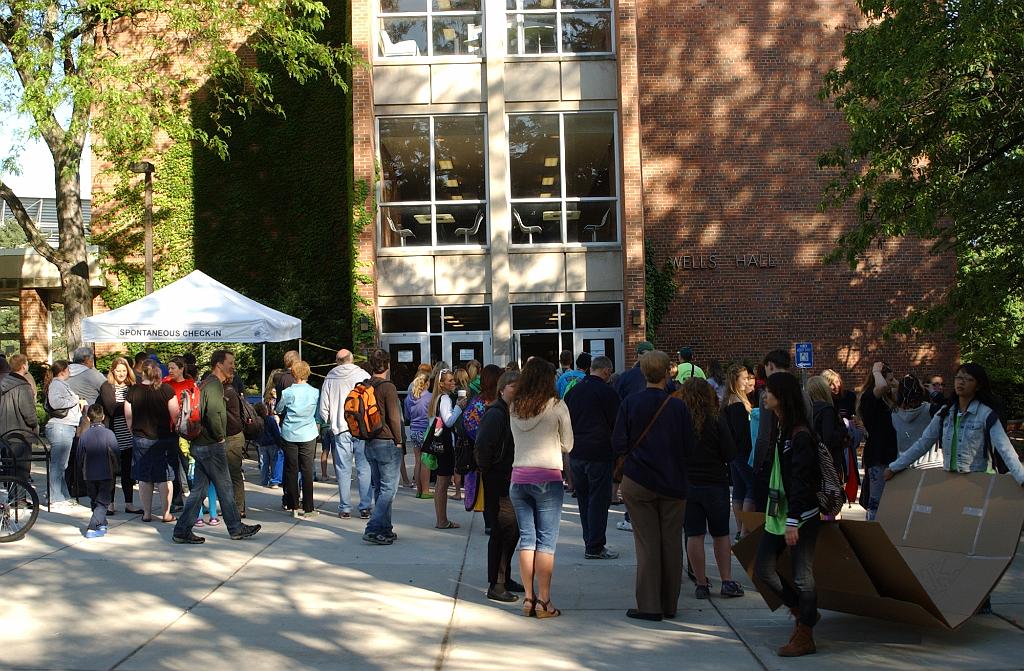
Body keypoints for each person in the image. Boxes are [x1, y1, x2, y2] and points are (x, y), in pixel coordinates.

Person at [611, 350, 694, 621]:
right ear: (668, 372)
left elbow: (618, 443)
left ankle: (649, 605)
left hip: (639, 479)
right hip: (673, 481)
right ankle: (670, 604)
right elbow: (689, 445)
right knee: (671, 544)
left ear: (644, 373)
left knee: (647, 544)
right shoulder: (679, 407)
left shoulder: (630, 403)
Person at [754, 372, 822, 657]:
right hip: (778, 514)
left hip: (799, 516)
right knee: (763, 570)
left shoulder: (800, 434)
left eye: (768, 391)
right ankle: (804, 614)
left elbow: (803, 481)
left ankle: (805, 635)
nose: (764, 395)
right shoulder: (782, 427)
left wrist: (793, 520)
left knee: (802, 577)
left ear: (782, 396)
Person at [173, 350, 261, 544]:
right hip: (211, 446)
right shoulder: (214, 386)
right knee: (225, 486)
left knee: (199, 490)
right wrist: (221, 436)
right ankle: (236, 528)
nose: (233, 366)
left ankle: (182, 530)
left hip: (201, 445)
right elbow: (213, 415)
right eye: (231, 362)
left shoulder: (208, 384)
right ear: (219, 364)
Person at [509, 358, 573, 618]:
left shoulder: (514, 407)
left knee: (527, 540)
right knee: (546, 542)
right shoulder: (557, 406)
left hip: (518, 476)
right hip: (547, 477)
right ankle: (544, 601)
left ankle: (528, 598)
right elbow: (568, 444)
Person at [886, 363, 1024, 484]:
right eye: (958, 378)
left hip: (978, 480)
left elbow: (1005, 448)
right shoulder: (945, 413)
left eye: (968, 379)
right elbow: (923, 443)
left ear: (978, 385)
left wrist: (1021, 478)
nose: (961, 382)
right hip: (950, 480)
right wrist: (894, 467)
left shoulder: (985, 414)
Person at [679, 377, 743, 599]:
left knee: (694, 534)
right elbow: (730, 453)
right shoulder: (717, 420)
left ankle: (701, 583)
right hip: (715, 483)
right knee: (721, 533)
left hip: (688, 483)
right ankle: (726, 581)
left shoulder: (680, 421)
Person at [565, 355, 620, 560]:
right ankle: (595, 545)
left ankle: (590, 540)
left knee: (584, 499)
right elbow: (617, 422)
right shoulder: (608, 393)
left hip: (577, 451)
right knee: (598, 499)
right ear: (606, 371)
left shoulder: (574, 391)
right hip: (599, 452)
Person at [475, 369, 523, 602]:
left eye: (519, 386)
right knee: (501, 532)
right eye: (513, 386)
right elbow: (483, 446)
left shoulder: (512, 413)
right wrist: (489, 470)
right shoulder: (496, 413)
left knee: (512, 532)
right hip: (498, 479)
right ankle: (496, 583)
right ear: (502, 389)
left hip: (509, 478)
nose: (517, 390)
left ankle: (505, 576)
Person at [751, 350, 812, 513]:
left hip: (774, 462)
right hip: (796, 459)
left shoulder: (769, 394)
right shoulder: (803, 395)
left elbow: (764, 435)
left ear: (770, 366)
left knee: (769, 512)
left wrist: (757, 466)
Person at [318, 349, 374, 519]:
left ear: (337, 361)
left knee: (343, 469)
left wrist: (328, 420)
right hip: (361, 427)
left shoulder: (330, 377)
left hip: (340, 427)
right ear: (352, 359)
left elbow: (323, 407)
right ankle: (365, 507)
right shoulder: (362, 375)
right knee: (364, 467)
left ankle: (345, 508)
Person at [126, 359, 179, 523]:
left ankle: (147, 513)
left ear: (142, 372)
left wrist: (132, 430)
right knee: (165, 477)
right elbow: (175, 415)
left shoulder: (133, 391)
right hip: (164, 438)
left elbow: (128, 416)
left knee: (144, 477)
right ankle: (166, 513)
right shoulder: (166, 389)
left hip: (141, 437)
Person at [361, 348, 404, 546]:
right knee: (389, 490)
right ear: (387, 365)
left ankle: (385, 529)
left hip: (369, 441)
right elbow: (394, 417)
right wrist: (399, 439)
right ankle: (373, 527)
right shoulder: (388, 387)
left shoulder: (365, 385)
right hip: (387, 441)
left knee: (379, 487)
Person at [278, 360, 320, 519]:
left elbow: (279, 408)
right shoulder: (315, 392)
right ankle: (309, 507)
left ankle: (293, 505)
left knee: (291, 470)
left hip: (290, 433)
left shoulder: (287, 392)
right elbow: (317, 412)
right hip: (308, 433)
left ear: (293, 374)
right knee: (307, 470)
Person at [99, 357, 142, 514]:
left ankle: (129, 503)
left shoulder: (132, 386)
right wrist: (130, 405)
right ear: (112, 371)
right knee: (110, 471)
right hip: (112, 434)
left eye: (124, 370)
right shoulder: (106, 387)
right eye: (118, 370)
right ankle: (109, 503)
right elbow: (111, 409)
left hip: (129, 434)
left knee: (127, 471)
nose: (122, 373)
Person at [857, 361, 898, 520]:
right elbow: (880, 387)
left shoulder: (888, 400)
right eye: (888, 380)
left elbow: (900, 388)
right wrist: (876, 371)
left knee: (890, 501)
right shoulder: (869, 398)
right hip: (878, 456)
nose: (890, 384)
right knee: (876, 501)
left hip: (892, 454)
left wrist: (893, 380)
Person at [44, 360, 85, 508]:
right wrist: (75, 399)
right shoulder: (57, 384)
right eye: (68, 370)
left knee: (62, 464)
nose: (70, 372)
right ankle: (55, 497)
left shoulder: (59, 384)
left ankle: (62, 494)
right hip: (61, 427)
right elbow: (55, 403)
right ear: (63, 371)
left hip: (66, 427)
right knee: (58, 464)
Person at [428, 368, 466, 528]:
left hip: (437, 443)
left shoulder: (436, 398)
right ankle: (442, 520)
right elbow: (448, 421)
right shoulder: (444, 398)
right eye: (449, 380)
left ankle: (441, 519)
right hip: (444, 444)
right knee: (442, 484)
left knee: (440, 483)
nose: (453, 383)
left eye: (453, 380)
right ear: (441, 384)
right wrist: (459, 407)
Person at [722, 364, 755, 539]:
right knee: (751, 485)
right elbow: (742, 432)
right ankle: (744, 531)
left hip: (734, 453)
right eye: (744, 378)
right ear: (736, 380)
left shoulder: (729, 400)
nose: (747, 381)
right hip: (742, 452)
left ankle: (740, 530)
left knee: (739, 489)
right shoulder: (737, 404)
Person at [163, 356, 199, 513]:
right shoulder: (165, 384)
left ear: (181, 368)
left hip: (185, 430)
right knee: (172, 465)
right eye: (169, 368)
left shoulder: (190, 384)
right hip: (169, 430)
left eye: (173, 368)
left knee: (188, 465)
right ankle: (176, 499)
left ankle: (196, 500)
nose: (170, 371)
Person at [77, 404, 118, 538]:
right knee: (103, 502)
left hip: (89, 473)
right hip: (106, 472)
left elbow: (79, 456)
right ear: (103, 417)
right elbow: (116, 452)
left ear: (88, 418)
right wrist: (118, 467)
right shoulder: (109, 434)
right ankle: (93, 526)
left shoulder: (84, 436)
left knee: (95, 500)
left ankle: (101, 522)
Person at [0, 353, 39, 485]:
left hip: (4, 432)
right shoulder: (23, 386)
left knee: (8, 467)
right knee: (21, 468)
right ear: (23, 366)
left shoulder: (3, 383)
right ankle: (19, 498)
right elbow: (29, 414)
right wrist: (34, 424)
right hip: (21, 433)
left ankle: (9, 496)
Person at [220, 357, 248, 517]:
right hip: (235, 435)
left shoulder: (227, 393)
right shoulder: (233, 391)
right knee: (233, 473)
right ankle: (238, 507)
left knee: (233, 474)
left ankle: (238, 507)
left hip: (231, 436)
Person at [806, 376, 847, 477]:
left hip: (812, 459)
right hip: (829, 462)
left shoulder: (807, 410)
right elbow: (829, 438)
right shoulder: (827, 410)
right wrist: (843, 431)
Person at [891, 374, 936, 465]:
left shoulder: (894, 413)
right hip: (927, 462)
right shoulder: (930, 409)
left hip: (902, 461)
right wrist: (933, 393)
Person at [404, 371, 433, 499]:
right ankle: (425, 490)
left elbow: (407, 416)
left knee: (417, 461)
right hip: (425, 430)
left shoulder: (409, 398)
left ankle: (418, 490)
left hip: (414, 430)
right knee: (425, 461)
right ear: (426, 384)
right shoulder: (430, 397)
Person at [256, 402, 284, 489]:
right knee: (274, 462)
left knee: (264, 463)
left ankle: (264, 480)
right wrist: (280, 444)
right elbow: (276, 433)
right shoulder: (271, 420)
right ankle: (274, 481)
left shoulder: (256, 421)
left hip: (261, 444)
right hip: (272, 444)